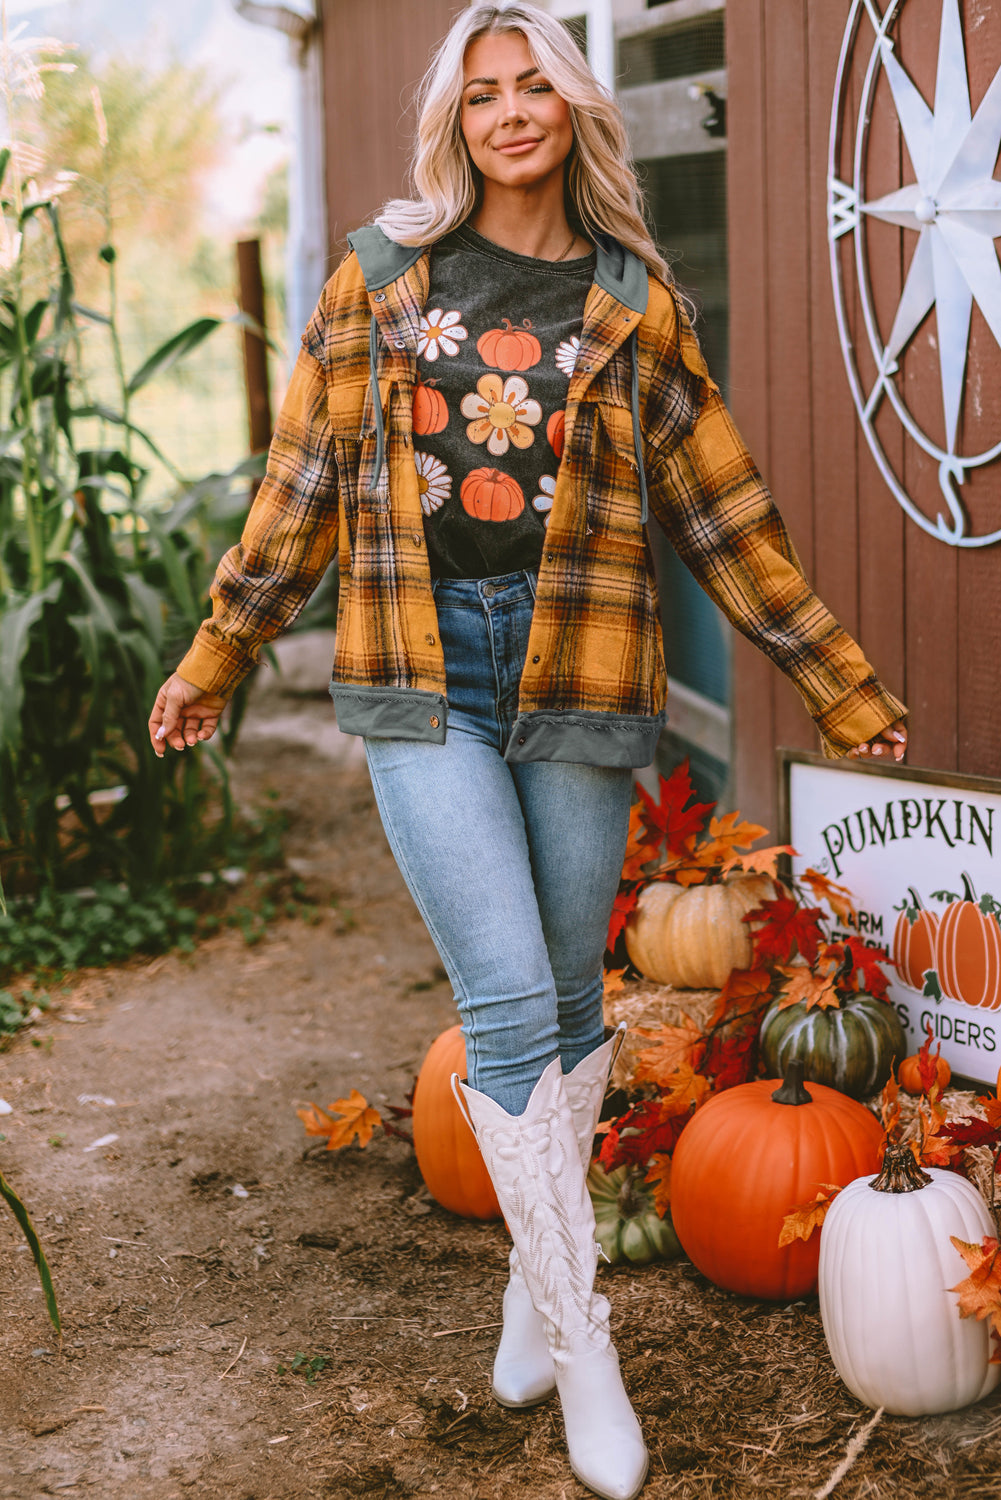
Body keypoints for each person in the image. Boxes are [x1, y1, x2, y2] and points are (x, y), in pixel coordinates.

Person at [148, 6, 907, 1497]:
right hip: (418, 674)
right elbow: (298, 486)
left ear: (570, 108)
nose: (508, 113)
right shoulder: (378, 275)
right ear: (457, 120)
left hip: (582, 672)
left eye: (532, 87)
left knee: (570, 1011)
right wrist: (217, 650)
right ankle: (587, 1352)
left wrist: (835, 678)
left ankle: (523, 1298)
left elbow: (723, 515)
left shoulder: (632, 301)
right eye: (481, 94)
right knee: (504, 1007)